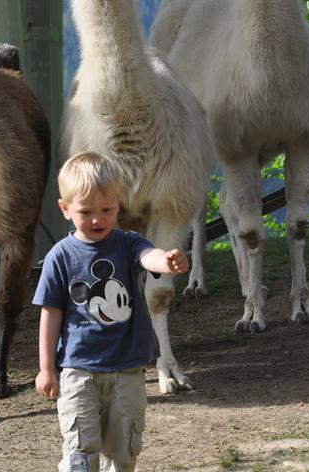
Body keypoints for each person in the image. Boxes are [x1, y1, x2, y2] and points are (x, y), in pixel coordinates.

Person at [34, 151, 189, 472]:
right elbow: (50, 314)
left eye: (106, 209)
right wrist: (46, 368)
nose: (97, 219)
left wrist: (168, 261)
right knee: (81, 451)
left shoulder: (128, 243)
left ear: (118, 204)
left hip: (127, 372)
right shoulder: (59, 257)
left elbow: (149, 257)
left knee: (123, 454)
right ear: (65, 209)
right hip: (77, 372)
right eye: (86, 211)